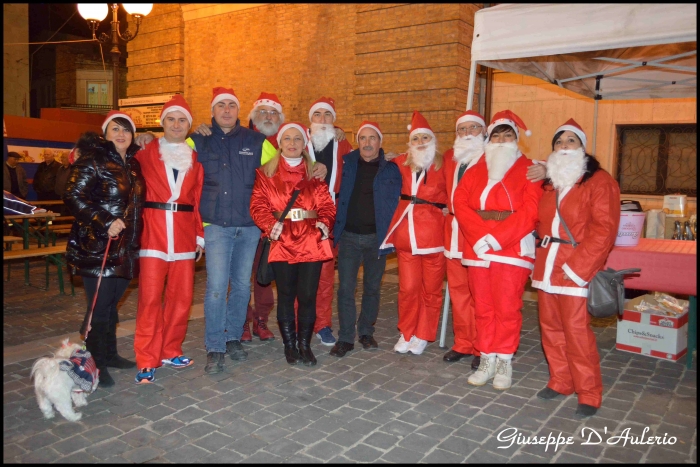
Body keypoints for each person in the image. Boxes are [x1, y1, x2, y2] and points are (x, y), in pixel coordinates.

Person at [137, 88, 327, 375]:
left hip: (249, 227)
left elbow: (287, 161)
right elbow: (169, 145)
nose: (226, 110)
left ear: (238, 111)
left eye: (231, 106)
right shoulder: (197, 139)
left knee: (241, 286)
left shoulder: (255, 140)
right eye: (220, 106)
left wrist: (317, 166)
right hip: (216, 227)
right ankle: (215, 345)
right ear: (212, 111)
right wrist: (145, 139)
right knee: (215, 288)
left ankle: (233, 337)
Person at [532, 119, 620, 418]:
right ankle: (560, 380)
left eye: (571, 141)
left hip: (574, 267)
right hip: (547, 266)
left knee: (577, 333)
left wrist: (577, 269)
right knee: (551, 329)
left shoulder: (599, 181)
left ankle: (589, 391)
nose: (565, 146)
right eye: (559, 142)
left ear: (582, 147)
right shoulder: (550, 182)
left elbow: (604, 230)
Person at [453, 110, 543, 390]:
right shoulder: (476, 168)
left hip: (512, 247)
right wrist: (480, 236)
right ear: (489, 139)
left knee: (506, 307)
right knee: (483, 307)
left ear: (516, 139)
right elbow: (461, 202)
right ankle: (485, 358)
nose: (502, 140)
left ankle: (504, 360)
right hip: (478, 246)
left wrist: (497, 238)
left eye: (508, 135)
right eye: (497, 135)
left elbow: (531, 210)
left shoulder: (530, 168)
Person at [63, 110, 145, 388]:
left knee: (111, 304)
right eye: (115, 129)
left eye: (126, 130)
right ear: (105, 133)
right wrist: (105, 221)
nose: (121, 134)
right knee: (99, 307)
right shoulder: (94, 160)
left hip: (125, 248)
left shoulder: (133, 165)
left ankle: (109, 354)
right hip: (98, 245)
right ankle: (95, 363)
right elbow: (73, 195)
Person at [131, 95, 204, 384]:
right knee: (149, 300)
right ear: (162, 123)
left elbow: (197, 200)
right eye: (171, 119)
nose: (176, 124)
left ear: (189, 125)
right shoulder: (145, 152)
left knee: (182, 298)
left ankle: (171, 349)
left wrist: (200, 236)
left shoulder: (194, 160)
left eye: (182, 119)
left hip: (185, 235)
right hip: (154, 234)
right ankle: (146, 357)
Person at [250, 122, 336, 366]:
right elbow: (258, 205)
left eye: (297, 139)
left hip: (310, 241)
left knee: (308, 296)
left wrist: (324, 222)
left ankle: (305, 345)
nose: (292, 143)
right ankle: (290, 346)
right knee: (286, 296)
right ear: (280, 143)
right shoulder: (266, 173)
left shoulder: (314, 174)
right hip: (282, 239)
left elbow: (327, 205)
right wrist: (269, 225)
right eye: (287, 138)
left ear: (304, 144)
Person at [330, 122, 401, 357]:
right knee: (346, 289)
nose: (367, 143)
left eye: (372, 138)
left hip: (376, 239)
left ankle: (366, 332)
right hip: (349, 236)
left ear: (380, 142)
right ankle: (345, 337)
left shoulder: (391, 168)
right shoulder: (346, 164)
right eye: (363, 138)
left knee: (372, 288)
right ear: (357, 141)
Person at [380, 111, 447, 356]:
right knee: (408, 289)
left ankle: (423, 334)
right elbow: (377, 161)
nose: (420, 143)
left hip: (434, 238)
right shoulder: (401, 163)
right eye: (416, 139)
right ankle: (406, 331)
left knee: (431, 290)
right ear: (410, 143)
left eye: (425, 139)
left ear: (433, 141)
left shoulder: (444, 164)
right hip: (406, 237)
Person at [306, 97, 354, 346]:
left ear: (334, 120)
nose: (322, 120)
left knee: (325, 276)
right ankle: (299, 322)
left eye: (327, 115)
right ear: (310, 120)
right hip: (301, 220)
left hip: (331, 217)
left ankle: (322, 324)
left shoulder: (342, 142)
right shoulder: (298, 139)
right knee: (301, 275)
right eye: (317, 115)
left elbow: (359, 164)